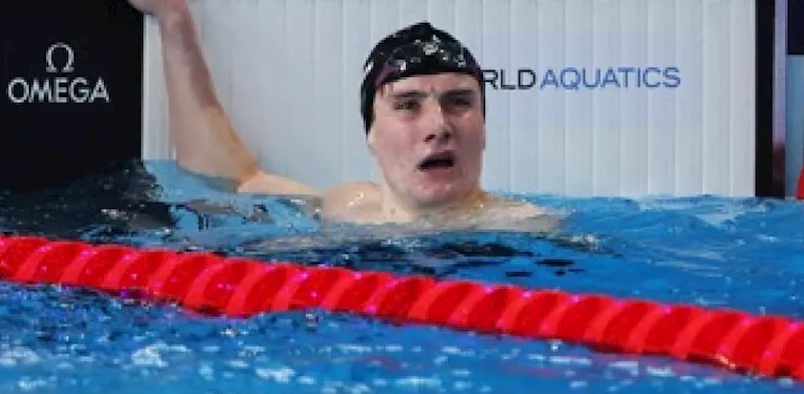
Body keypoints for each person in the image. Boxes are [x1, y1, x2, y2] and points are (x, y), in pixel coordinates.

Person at [123, 0, 556, 232]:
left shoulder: (527, 231)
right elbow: (230, 177)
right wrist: (173, 18)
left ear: (484, 128)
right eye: (407, 105)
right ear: (371, 132)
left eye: (459, 102)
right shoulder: (347, 207)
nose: (439, 126)